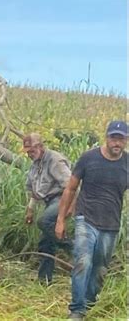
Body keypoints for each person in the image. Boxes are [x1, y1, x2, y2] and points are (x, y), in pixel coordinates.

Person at [55, 121, 128, 320]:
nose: (117, 143)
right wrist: (60, 220)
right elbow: (70, 188)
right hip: (86, 219)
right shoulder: (89, 158)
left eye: (121, 139)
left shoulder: (127, 163)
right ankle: (77, 310)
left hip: (111, 224)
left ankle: (89, 303)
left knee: (100, 269)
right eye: (114, 137)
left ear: (126, 141)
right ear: (106, 137)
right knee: (82, 262)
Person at [23, 133, 72, 284]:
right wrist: (30, 209)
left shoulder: (54, 159)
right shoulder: (35, 165)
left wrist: (69, 208)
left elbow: (71, 185)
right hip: (49, 202)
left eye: (32, 151)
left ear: (40, 147)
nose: (30, 154)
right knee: (45, 243)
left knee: (44, 221)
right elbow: (34, 190)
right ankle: (44, 280)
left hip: (62, 198)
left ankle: (74, 248)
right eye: (27, 152)